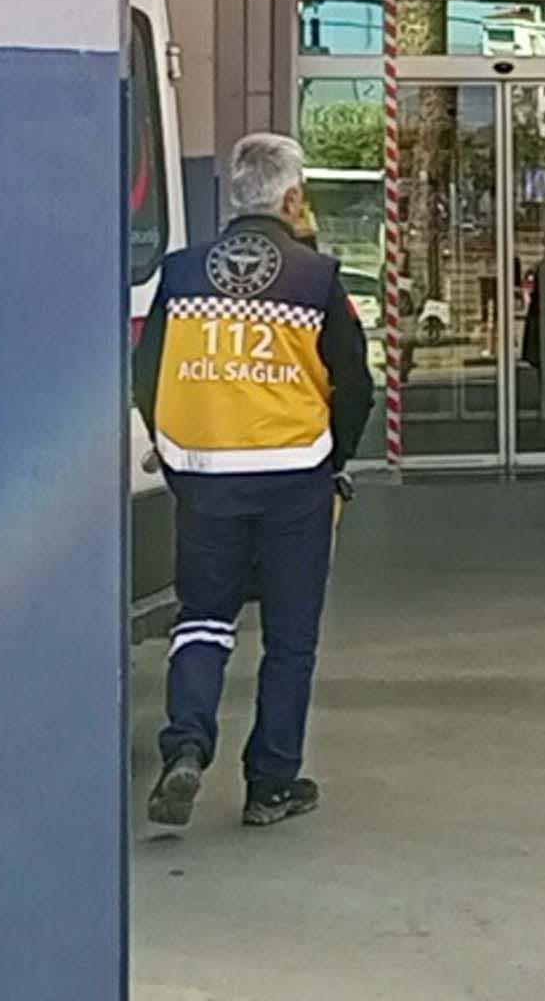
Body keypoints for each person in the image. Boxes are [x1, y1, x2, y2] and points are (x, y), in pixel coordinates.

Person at [133, 132, 375, 829]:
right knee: (289, 638)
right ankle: (270, 784)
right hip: (294, 481)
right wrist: (334, 462)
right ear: (293, 197)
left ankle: (186, 745)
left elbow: (146, 374)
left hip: (206, 482)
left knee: (203, 620)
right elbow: (354, 385)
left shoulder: (181, 275)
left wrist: (175, 452)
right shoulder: (316, 279)